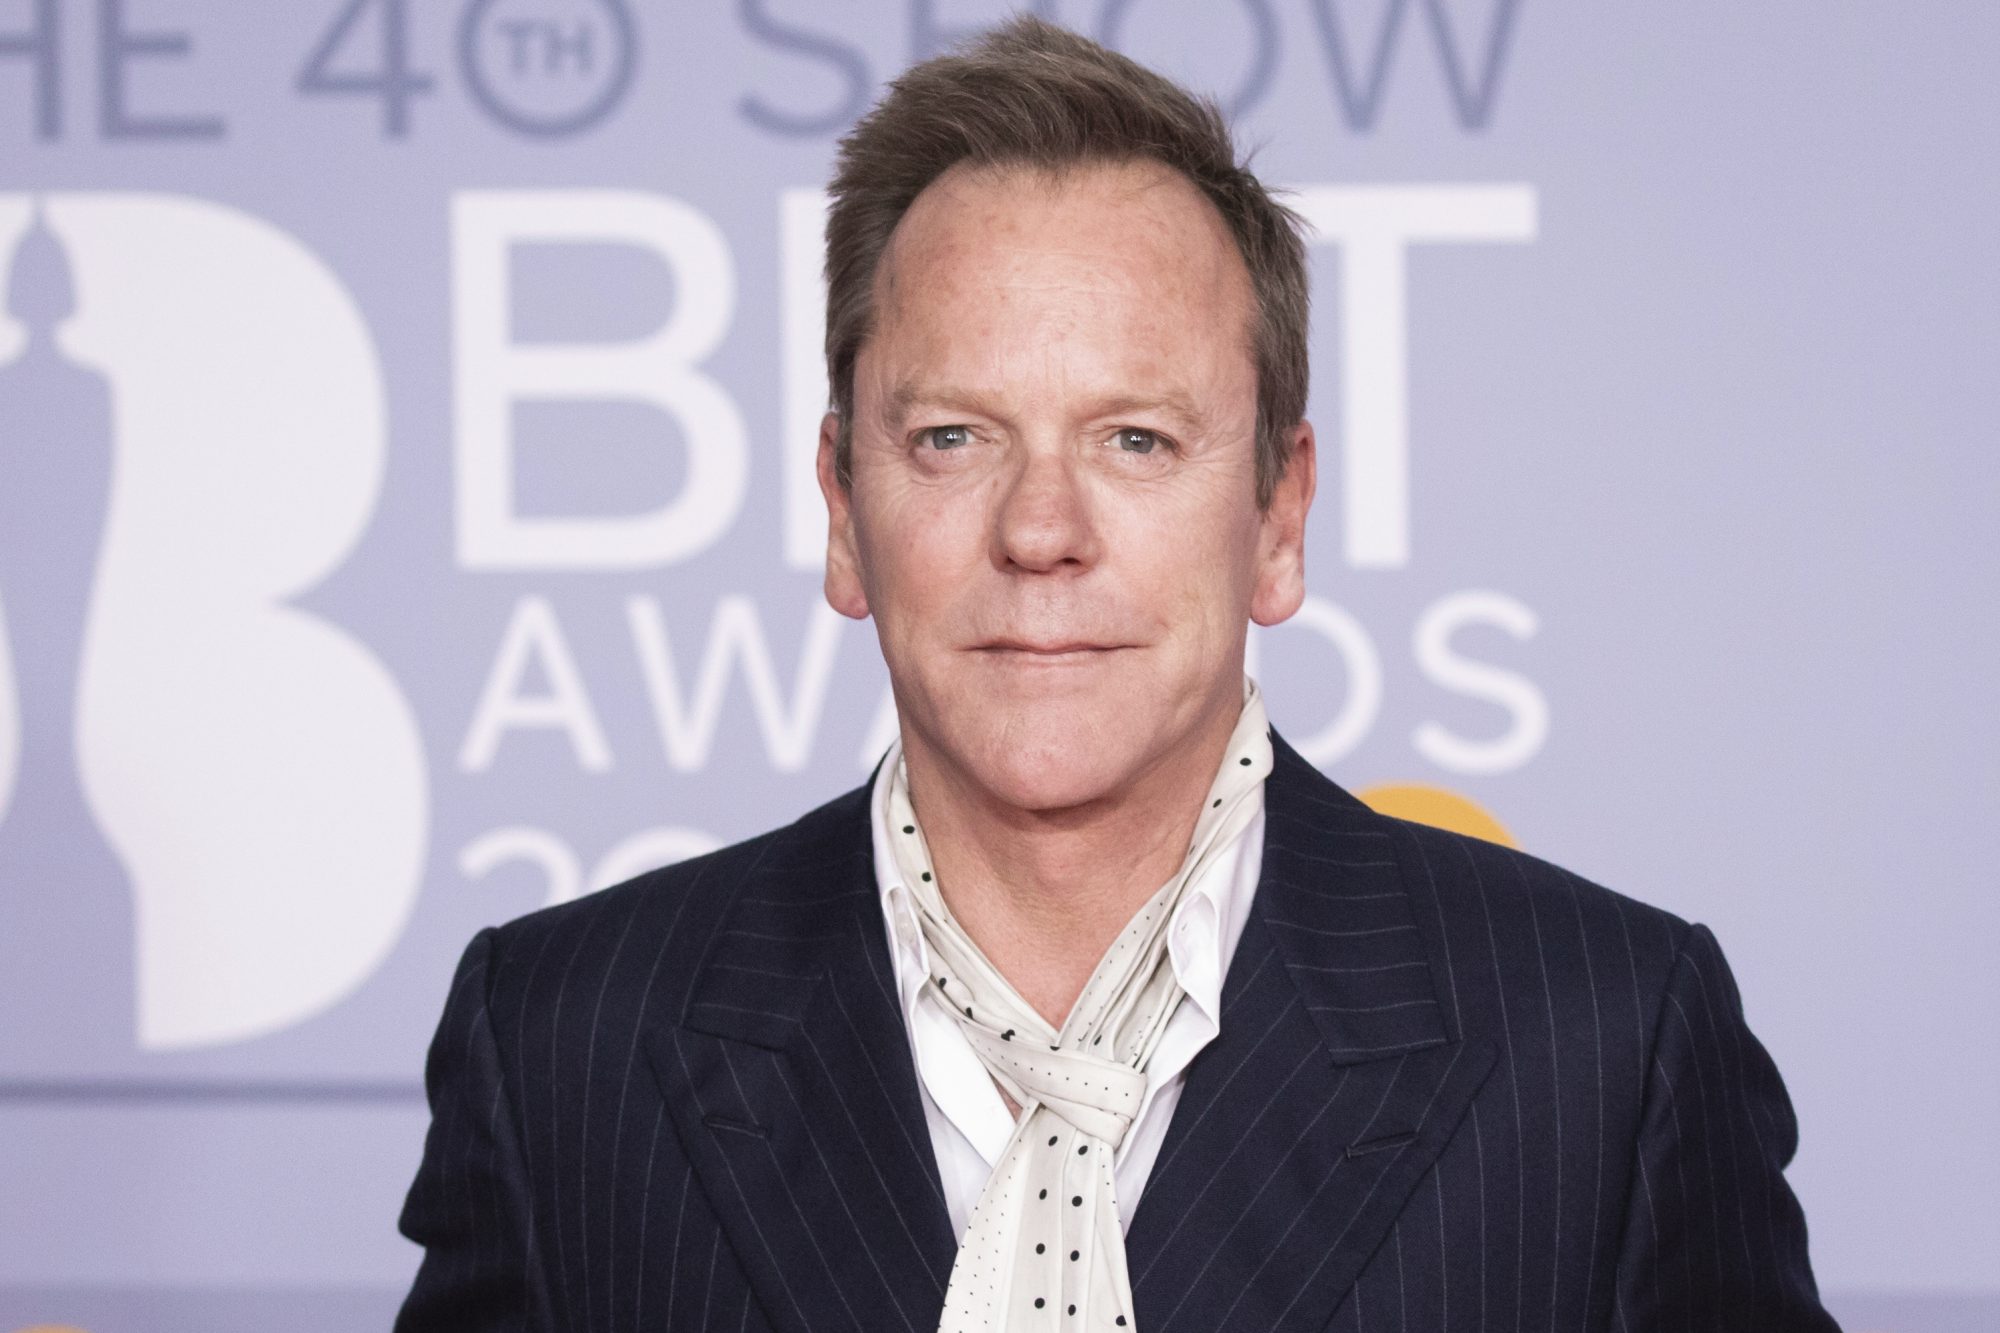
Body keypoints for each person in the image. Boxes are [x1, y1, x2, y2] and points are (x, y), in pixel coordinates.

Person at [395, 18, 1837, 1332]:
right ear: (842, 511)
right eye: (953, 437)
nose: (1041, 530)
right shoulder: (564, 1045)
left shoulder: (1603, 1045)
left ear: (1279, 514)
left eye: (1135, 440)